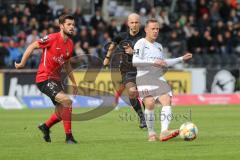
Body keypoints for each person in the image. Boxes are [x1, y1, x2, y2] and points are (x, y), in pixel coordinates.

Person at [15, 14, 78, 144]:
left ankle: (45, 126)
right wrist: (22, 63)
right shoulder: (51, 38)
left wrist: (74, 81)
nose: (72, 27)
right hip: (44, 78)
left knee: (62, 112)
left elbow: (67, 64)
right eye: (69, 24)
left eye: (73, 24)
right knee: (67, 101)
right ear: (61, 26)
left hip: (56, 80)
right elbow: (32, 45)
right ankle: (69, 138)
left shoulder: (70, 44)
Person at [132, 19, 192, 141]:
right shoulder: (140, 43)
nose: (155, 31)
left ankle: (164, 131)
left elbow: (163, 62)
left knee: (166, 99)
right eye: (153, 28)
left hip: (158, 78)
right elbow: (135, 61)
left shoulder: (159, 46)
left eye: (157, 29)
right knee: (149, 104)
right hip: (144, 78)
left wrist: (181, 58)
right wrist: (153, 62)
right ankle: (151, 133)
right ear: (146, 30)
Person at [103, 13, 147, 129]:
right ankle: (142, 118)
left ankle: (147, 115)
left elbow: (149, 54)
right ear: (128, 23)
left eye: (136, 22)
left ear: (140, 23)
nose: (134, 25)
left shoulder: (145, 37)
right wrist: (107, 58)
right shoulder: (121, 36)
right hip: (127, 70)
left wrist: (135, 52)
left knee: (146, 97)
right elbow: (112, 45)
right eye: (132, 22)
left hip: (143, 69)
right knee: (132, 92)